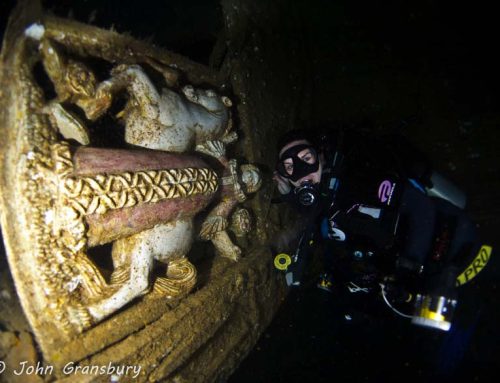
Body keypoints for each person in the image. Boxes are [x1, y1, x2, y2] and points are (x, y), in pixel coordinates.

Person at [273, 128, 480, 301]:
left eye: (306, 158)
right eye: (289, 167)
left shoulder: (358, 180)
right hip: (429, 282)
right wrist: (293, 200)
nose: (301, 172)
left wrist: (408, 268)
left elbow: (420, 206)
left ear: (322, 156)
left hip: (461, 249)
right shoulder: (325, 201)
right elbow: (324, 215)